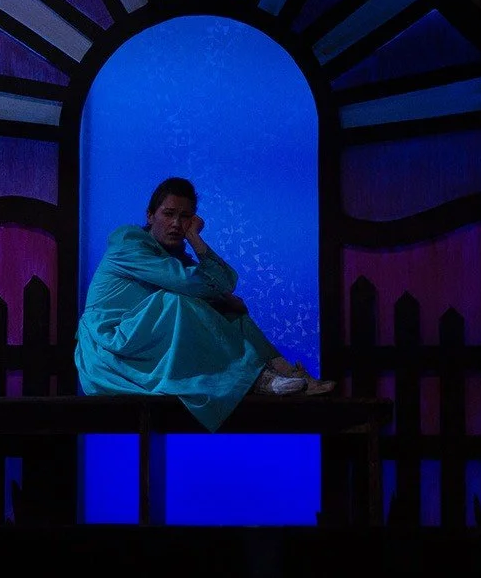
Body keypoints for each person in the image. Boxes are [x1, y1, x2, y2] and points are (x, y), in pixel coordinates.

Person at [74, 176, 335, 433]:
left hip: (142, 343)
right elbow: (191, 284)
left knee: (231, 313)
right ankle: (253, 378)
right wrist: (219, 295)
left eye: (185, 217)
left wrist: (195, 240)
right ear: (150, 215)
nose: (176, 224)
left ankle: (285, 372)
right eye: (168, 214)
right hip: (108, 347)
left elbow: (224, 284)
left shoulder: (173, 256)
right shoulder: (129, 244)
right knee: (173, 303)